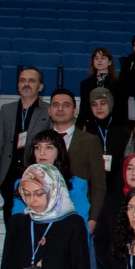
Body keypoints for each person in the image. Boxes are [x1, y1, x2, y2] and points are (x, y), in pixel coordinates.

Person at [0, 67, 51, 224]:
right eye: (23, 81)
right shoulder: (6, 110)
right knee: (10, 221)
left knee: (34, 222)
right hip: (9, 174)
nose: (26, 84)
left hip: (35, 175)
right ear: (18, 85)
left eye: (31, 81)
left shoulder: (48, 111)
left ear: (40, 87)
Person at [45, 89, 107, 229]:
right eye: (55, 105)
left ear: (75, 111)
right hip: (45, 213)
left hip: (79, 214)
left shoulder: (90, 141)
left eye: (66, 105)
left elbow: (98, 185)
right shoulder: (40, 141)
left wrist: (93, 219)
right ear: (49, 111)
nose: (60, 109)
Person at [12, 130, 93, 226]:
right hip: (30, 233)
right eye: (37, 147)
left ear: (59, 152)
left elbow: (80, 226)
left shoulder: (77, 185)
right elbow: (17, 223)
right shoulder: (22, 183)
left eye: (49, 147)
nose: (42, 153)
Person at [83, 87, 133, 187]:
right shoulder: (85, 129)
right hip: (92, 182)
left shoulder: (124, 128)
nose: (98, 108)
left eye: (103, 103)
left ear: (110, 104)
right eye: (94, 104)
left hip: (119, 181)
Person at [77, 47, 128, 126]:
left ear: (110, 62)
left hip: (113, 125)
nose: (99, 61)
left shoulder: (119, 84)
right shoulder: (85, 84)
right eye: (96, 58)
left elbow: (122, 108)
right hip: (92, 124)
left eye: (103, 58)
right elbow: (84, 108)